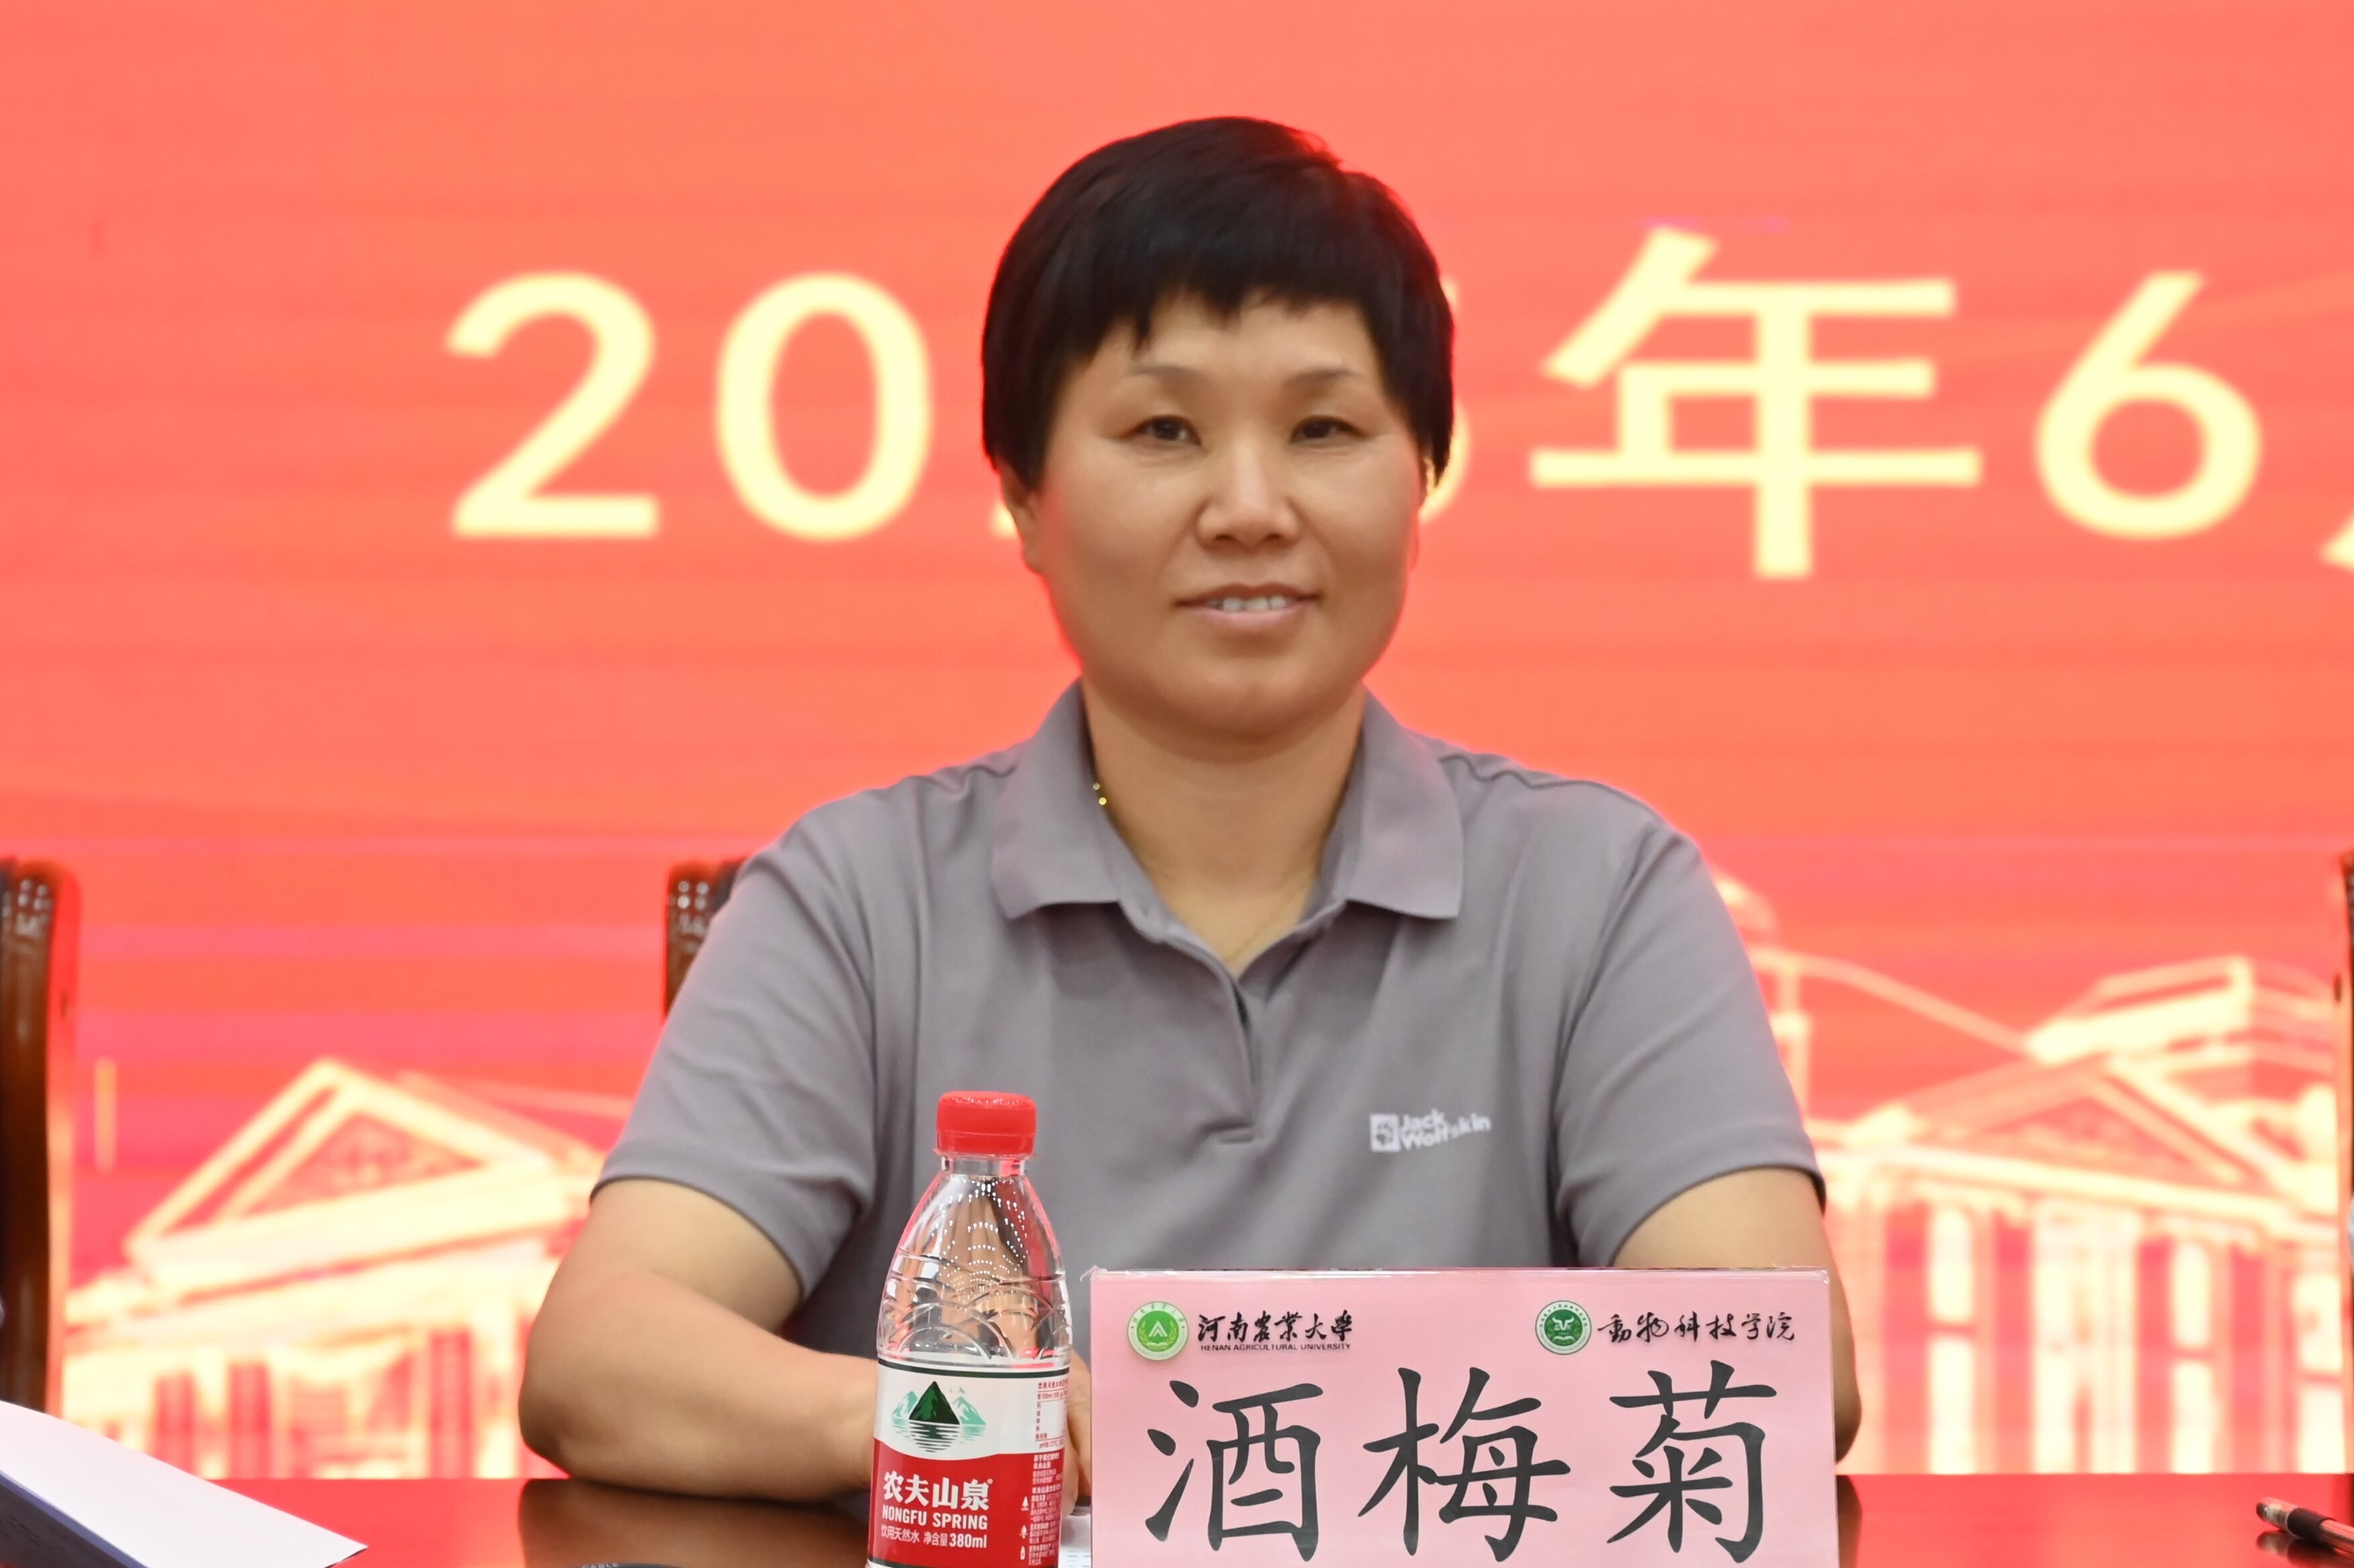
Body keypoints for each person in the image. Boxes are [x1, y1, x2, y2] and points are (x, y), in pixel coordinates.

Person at [518, 116, 1861, 1503]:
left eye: (1324, 429)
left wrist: (1212, 1432)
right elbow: (602, 1353)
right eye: (1164, 430)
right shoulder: (859, 900)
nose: (1249, 507)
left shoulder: (1596, 890)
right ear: (1024, 499)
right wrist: (982, 1420)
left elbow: (1775, 1367)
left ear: (1422, 478)